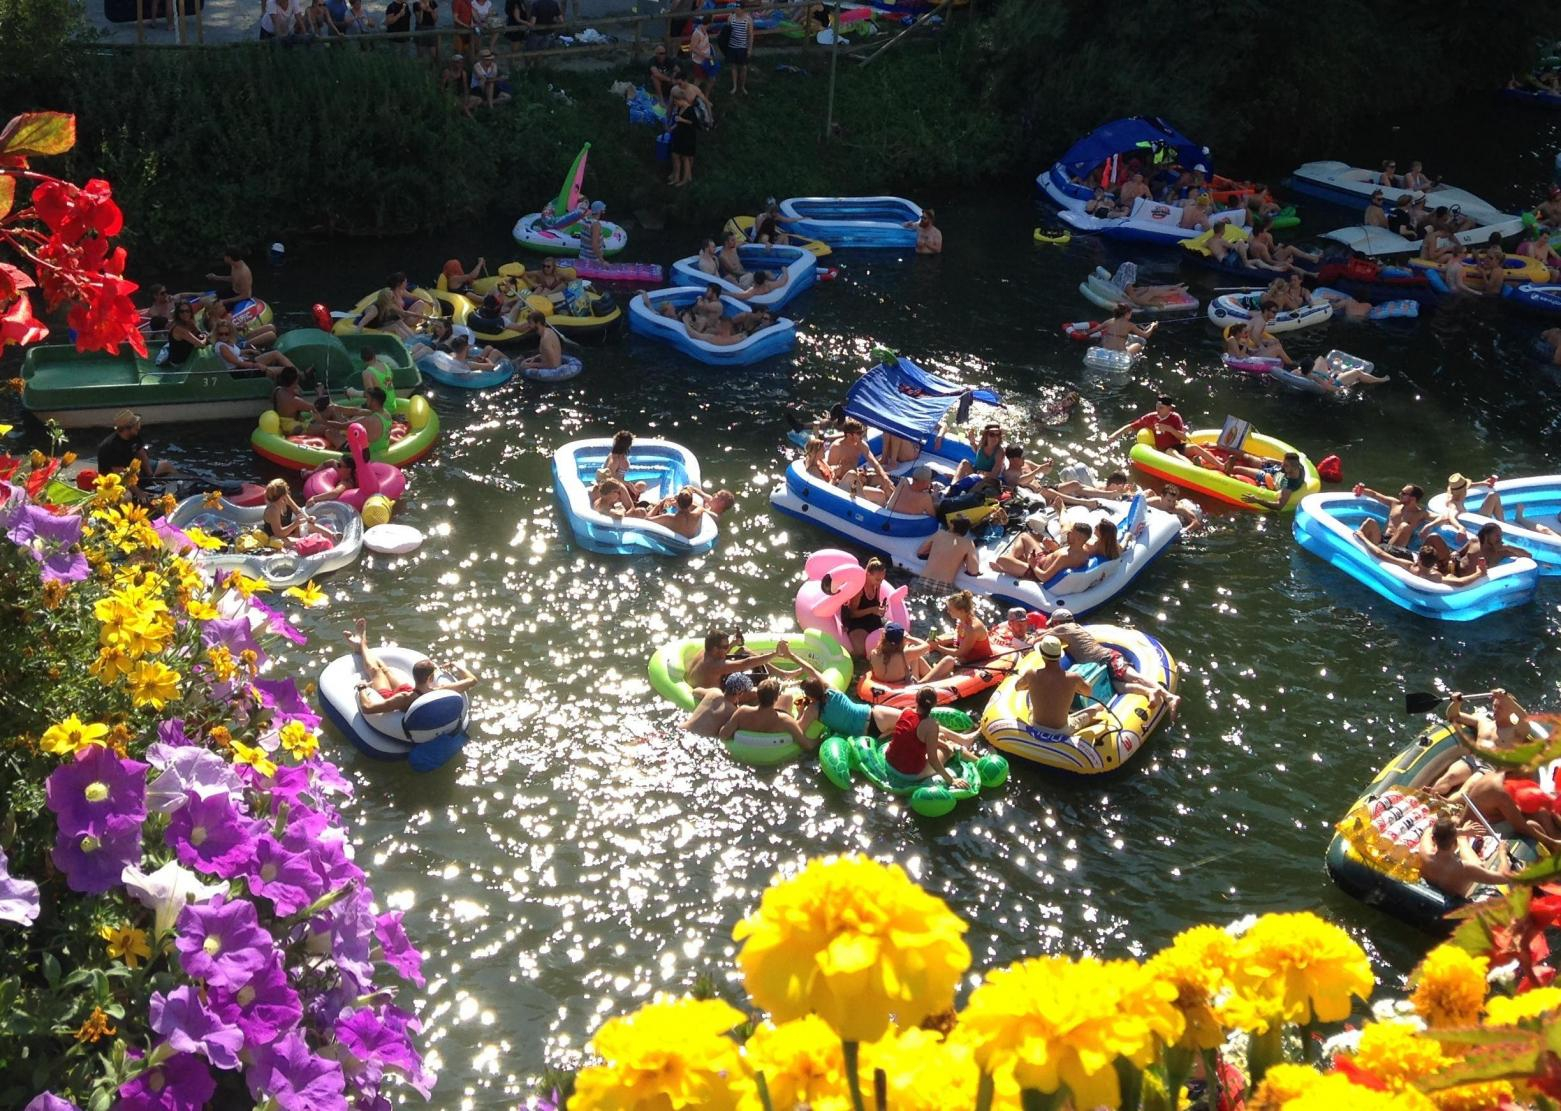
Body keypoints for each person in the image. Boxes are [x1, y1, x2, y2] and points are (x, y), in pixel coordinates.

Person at [345, 618, 478, 716]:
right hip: (408, 691)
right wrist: (457, 665)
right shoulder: (440, 690)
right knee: (385, 669)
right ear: (430, 677)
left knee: (376, 672)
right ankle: (360, 645)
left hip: (398, 696)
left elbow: (368, 708)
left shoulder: (403, 698)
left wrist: (362, 687)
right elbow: (472, 680)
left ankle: (361, 642)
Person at [884, 687, 978, 790]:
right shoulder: (931, 725)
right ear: (934, 704)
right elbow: (933, 760)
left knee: (942, 739)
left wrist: (943, 742)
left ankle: (961, 745)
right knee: (950, 749)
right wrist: (952, 780)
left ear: (916, 700)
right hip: (909, 773)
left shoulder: (905, 711)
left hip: (890, 762)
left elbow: (912, 737)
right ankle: (978, 761)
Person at [1015, 635, 1101, 735]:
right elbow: (1088, 692)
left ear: (1042, 654)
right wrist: (1074, 688)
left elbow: (1017, 687)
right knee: (1099, 708)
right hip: (1062, 731)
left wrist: (1031, 684)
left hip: (1036, 726)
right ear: (1060, 655)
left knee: (1030, 695)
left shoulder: (1031, 674)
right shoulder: (1074, 678)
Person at [1104, 396, 1221, 469]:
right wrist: (1114, 436)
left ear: (1169, 409)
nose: (1158, 410)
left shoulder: (1175, 418)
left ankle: (1221, 466)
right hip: (1164, 450)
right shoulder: (1151, 417)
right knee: (1171, 452)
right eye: (1157, 407)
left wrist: (1169, 429)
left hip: (1178, 445)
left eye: (1161, 408)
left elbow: (1183, 437)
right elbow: (1130, 426)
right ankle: (1194, 468)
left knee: (1195, 447)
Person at [1418, 815, 1513, 900]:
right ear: (1455, 844)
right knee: (1480, 866)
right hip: (1454, 902)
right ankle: (1462, 840)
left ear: (1434, 839)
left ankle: (1461, 839)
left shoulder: (1425, 852)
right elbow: (1504, 878)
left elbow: (1429, 831)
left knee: (1478, 866)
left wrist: (1460, 832)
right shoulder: (1465, 868)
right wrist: (1502, 853)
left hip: (1432, 896)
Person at [919, 591, 994, 684]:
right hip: (965, 658)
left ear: (961, 611)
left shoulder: (972, 629)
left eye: (950, 609)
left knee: (948, 660)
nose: (948, 611)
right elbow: (957, 639)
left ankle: (921, 684)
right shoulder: (962, 620)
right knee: (924, 651)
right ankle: (926, 676)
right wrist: (939, 641)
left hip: (977, 661)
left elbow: (960, 653)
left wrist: (937, 647)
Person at [718, 677, 811, 750]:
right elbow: (807, 745)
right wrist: (800, 713)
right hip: (775, 752)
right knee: (788, 696)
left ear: (757, 695)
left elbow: (723, 735)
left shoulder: (742, 712)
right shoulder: (786, 720)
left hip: (745, 752)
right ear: (776, 698)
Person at [684, 628, 782, 691]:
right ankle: (782, 678)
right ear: (715, 649)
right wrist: (775, 653)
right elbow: (746, 663)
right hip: (708, 698)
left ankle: (782, 673)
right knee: (760, 691)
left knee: (744, 651)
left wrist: (733, 643)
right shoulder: (715, 666)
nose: (727, 648)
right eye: (725, 646)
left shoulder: (704, 652)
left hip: (697, 687)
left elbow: (720, 654)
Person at [1353, 481, 1431, 554]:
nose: (1399, 494)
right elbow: (1374, 494)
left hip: (1397, 546)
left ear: (1413, 498)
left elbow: (1443, 517)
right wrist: (1362, 490)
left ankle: (1384, 552)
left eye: (1403, 493)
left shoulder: (1420, 513)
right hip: (1382, 539)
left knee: (1404, 526)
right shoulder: (1395, 503)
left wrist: (1429, 525)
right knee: (1370, 522)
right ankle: (1353, 545)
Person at [98, 410, 175, 481]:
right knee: (127, 496)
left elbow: (141, 453)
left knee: (166, 465)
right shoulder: (111, 446)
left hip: (132, 469)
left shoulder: (134, 435)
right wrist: (139, 493)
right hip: (115, 477)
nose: (139, 426)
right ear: (127, 429)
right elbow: (121, 475)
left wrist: (150, 475)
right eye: (136, 424)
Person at [211, 319, 295, 379]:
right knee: (285, 371)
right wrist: (256, 365)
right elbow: (237, 363)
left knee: (275, 354)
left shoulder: (228, 342)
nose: (224, 336)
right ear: (217, 334)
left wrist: (249, 350)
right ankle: (298, 376)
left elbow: (237, 352)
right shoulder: (222, 347)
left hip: (245, 363)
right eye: (221, 334)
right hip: (240, 372)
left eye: (226, 334)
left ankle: (299, 375)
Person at [682, 671, 758, 737]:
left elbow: (695, 691)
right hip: (700, 739)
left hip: (683, 729)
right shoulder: (735, 712)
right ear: (740, 693)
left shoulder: (714, 693)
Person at [839, 558, 889, 655]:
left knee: (891, 639)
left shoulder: (877, 585)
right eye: (878, 579)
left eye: (882, 579)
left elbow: (876, 603)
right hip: (857, 621)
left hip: (871, 618)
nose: (880, 582)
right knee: (861, 651)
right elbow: (852, 614)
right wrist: (872, 610)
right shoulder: (860, 589)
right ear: (868, 574)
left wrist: (881, 609)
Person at [261, 478, 330, 546]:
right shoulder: (273, 510)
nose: (288, 492)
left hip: (289, 533)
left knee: (309, 525)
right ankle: (317, 542)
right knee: (282, 541)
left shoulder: (285, 498)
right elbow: (279, 533)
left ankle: (333, 536)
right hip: (277, 538)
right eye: (287, 490)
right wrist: (294, 524)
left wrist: (308, 518)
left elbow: (297, 510)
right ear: (282, 495)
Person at [915, 515, 980, 585]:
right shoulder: (968, 544)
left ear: (952, 526)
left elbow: (920, 552)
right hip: (944, 585)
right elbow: (973, 570)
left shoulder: (939, 534)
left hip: (924, 581)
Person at [1236, 451, 1310, 511]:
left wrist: (1257, 500)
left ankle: (1226, 467)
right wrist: (1273, 461)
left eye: (1285, 465)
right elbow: (1286, 464)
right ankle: (1226, 447)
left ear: (1294, 468)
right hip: (1276, 471)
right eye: (1283, 463)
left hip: (1270, 479)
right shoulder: (1297, 466)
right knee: (1248, 457)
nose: (1282, 466)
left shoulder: (1289, 484)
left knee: (1238, 469)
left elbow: (1279, 506)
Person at [991, 513, 1055, 579]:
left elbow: (1044, 577)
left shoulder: (1064, 556)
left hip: (1039, 570)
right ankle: (1011, 558)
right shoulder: (1065, 551)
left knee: (1001, 560)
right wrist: (1053, 548)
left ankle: (1006, 566)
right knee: (1024, 536)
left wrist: (1034, 566)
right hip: (1043, 558)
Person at [161, 302, 207, 367]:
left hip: (189, 357)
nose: (185, 314)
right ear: (178, 313)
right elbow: (201, 344)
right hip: (180, 364)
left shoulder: (189, 322)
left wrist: (201, 334)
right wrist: (205, 337)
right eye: (181, 311)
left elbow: (199, 333)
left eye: (187, 311)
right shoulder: (179, 329)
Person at [667, 88, 697, 187]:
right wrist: (673, 127)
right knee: (675, 155)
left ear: (681, 100)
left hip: (688, 136)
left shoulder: (690, 109)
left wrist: (682, 119)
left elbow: (693, 122)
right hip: (679, 134)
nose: (675, 104)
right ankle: (676, 177)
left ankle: (685, 179)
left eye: (676, 102)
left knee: (685, 158)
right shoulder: (680, 108)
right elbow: (678, 121)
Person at [725, 4, 753, 95]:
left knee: (744, 67)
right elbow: (726, 31)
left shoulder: (748, 20)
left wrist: (749, 49)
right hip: (732, 46)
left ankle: (742, 86)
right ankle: (734, 86)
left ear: (743, 10)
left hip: (742, 47)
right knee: (733, 67)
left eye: (738, 9)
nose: (736, 11)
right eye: (735, 9)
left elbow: (750, 35)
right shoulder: (731, 18)